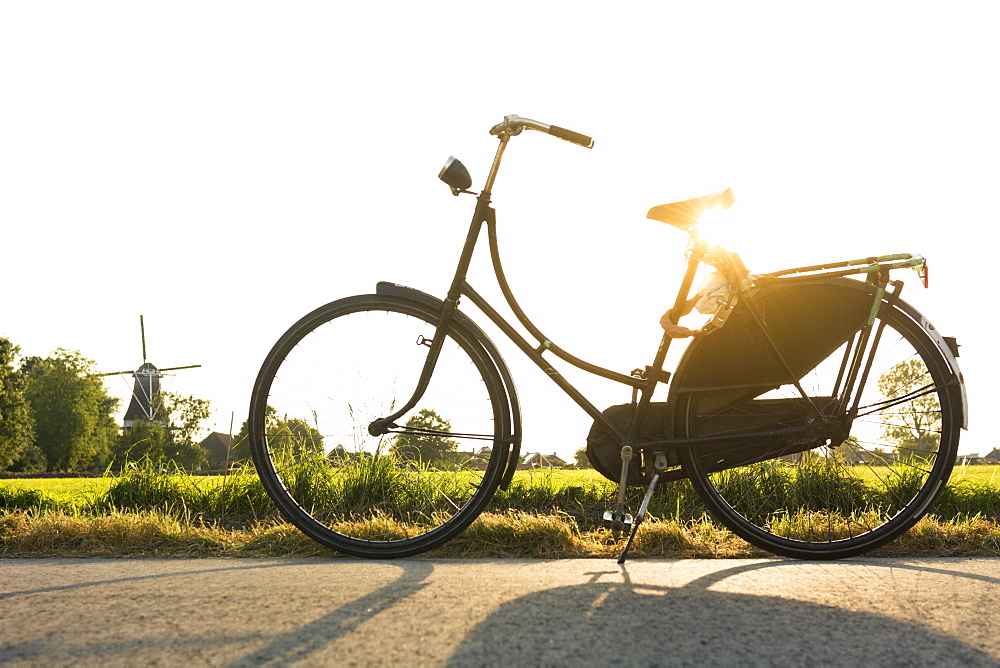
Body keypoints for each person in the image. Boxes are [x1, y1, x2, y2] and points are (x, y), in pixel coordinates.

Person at [661, 245, 749, 338]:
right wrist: (666, 319)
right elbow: (688, 306)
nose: (715, 262)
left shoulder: (756, 284)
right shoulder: (717, 285)